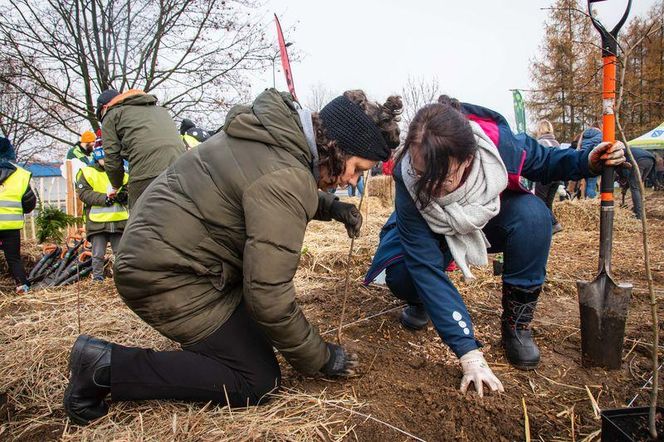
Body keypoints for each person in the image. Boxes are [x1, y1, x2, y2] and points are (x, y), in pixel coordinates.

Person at [63, 88, 403, 425]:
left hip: (169, 252)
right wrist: (321, 357)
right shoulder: (286, 175)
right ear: (337, 148)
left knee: (258, 339)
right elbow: (268, 296)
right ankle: (104, 367)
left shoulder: (271, 134)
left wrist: (331, 207)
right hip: (164, 276)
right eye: (357, 169)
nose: (352, 181)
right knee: (255, 379)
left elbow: (256, 185)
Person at [364, 96, 626, 397]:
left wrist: (587, 161)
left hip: (483, 217)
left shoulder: (496, 146)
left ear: (467, 159)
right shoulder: (408, 177)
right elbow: (424, 264)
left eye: (444, 179)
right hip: (431, 228)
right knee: (402, 273)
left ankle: (517, 323)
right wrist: (468, 352)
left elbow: (545, 161)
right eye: (423, 175)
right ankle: (422, 302)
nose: (430, 188)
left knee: (534, 217)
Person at [96, 89, 185, 208]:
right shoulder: (161, 111)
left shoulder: (111, 114)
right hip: (179, 171)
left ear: (104, 107)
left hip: (146, 175)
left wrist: (115, 185)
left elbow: (112, 157)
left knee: (141, 221)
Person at [76, 146, 128, 281]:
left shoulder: (123, 173)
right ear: (97, 158)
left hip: (119, 221)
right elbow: (84, 193)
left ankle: (121, 279)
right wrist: (105, 198)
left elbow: (130, 188)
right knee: (98, 253)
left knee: (121, 254)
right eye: (103, 159)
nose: (106, 161)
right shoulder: (87, 172)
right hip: (97, 221)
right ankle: (98, 278)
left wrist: (123, 196)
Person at [0, 137, 37, 293]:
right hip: (11, 226)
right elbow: (29, 203)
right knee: (14, 258)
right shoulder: (20, 175)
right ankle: (22, 285)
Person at [533, 120, 563, 234]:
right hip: (556, 176)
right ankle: (550, 225)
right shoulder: (556, 143)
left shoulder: (540, 143)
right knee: (548, 202)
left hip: (544, 175)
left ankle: (554, 223)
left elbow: (536, 161)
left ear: (539, 129)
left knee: (539, 201)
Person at [617, 147, 656, 219]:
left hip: (640, 161)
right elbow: (629, 177)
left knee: (635, 188)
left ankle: (638, 214)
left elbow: (621, 172)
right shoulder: (628, 151)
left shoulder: (618, 154)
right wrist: (625, 187)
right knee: (638, 185)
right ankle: (638, 209)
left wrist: (623, 181)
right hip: (651, 160)